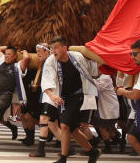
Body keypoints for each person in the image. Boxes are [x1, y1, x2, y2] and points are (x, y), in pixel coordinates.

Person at [41, 35, 101, 163]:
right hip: (62, 98)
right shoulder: (51, 61)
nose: (53, 51)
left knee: (64, 125)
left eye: (56, 48)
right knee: (72, 129)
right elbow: (46, 81)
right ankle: (93, 151)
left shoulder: (77, 56)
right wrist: (52, 96)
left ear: (64, 47)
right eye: (52, 48)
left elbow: (92, 68)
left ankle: (63, 157)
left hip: (79, 95)